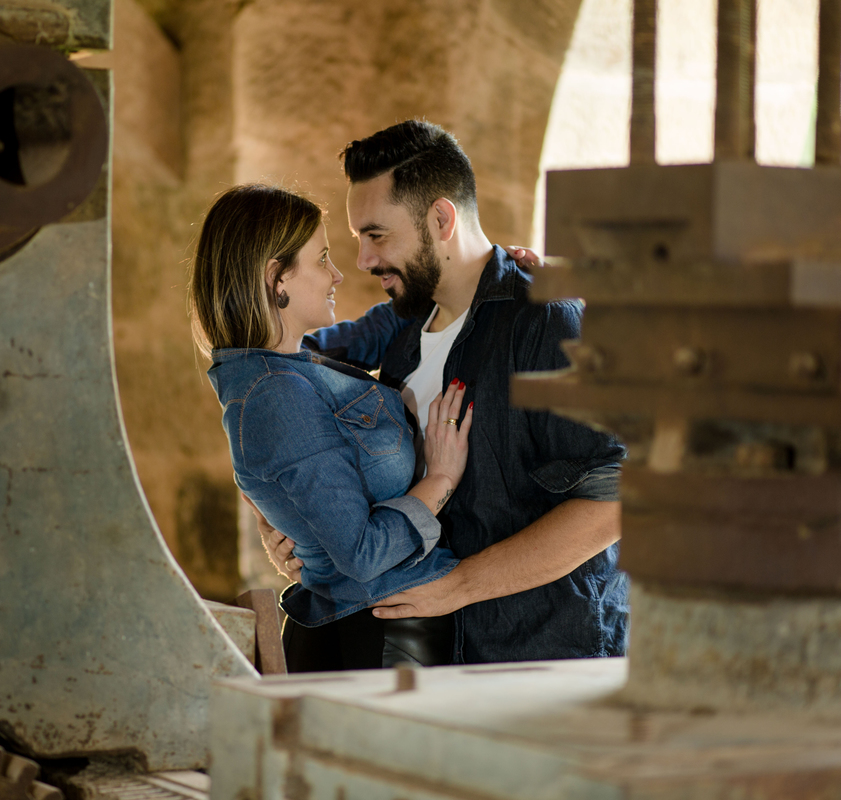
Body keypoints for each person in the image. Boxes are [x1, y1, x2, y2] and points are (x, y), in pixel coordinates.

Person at [260, 120, 629, 664]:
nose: (362, 260)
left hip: (544, 666)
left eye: (376, 235)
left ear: (440, 218)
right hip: (438, 666)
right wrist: (292, 531)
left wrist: (461, 585)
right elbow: (270, 397)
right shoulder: (403, 334)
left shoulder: (549, 321)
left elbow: (614, 503)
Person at [190, 183, 477, 671]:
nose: (339, 273)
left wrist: (489, 269)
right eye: (322, 259)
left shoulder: (287, 365)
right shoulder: (275, 394)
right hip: (380, 636)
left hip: (378, 623)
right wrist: (440, 481)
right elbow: (362, 553)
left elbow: (388, 324)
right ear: (276, 279)